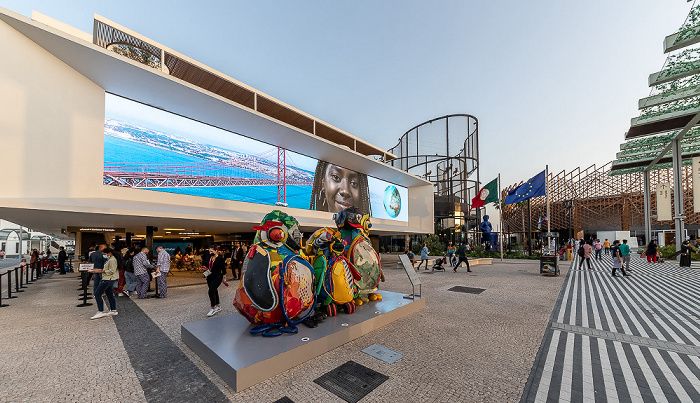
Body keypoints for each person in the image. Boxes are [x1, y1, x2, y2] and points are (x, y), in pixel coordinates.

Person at [89, 248, 118, 319]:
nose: (103, 256)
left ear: (109, 253)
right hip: (109, 279)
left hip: (107, 279)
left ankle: (101, 311)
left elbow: (111, 271)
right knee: (109, 294)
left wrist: (99, 271)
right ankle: (113, 309)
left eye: (104, 254)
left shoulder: (112, 260)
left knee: (97, 294)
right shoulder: (111, 259)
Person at [206, 245, 227, 317]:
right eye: (209, 251)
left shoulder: (220, 259)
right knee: (214, 290)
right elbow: (207, 265)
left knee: (211, 291)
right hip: (209, 277)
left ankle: (213, 308)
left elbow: (223, 269)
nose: (210, 252)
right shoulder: (208, 258)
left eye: (212, 251)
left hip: (217, 277)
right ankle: (218, 305)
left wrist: (224, 278)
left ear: (216, 251)